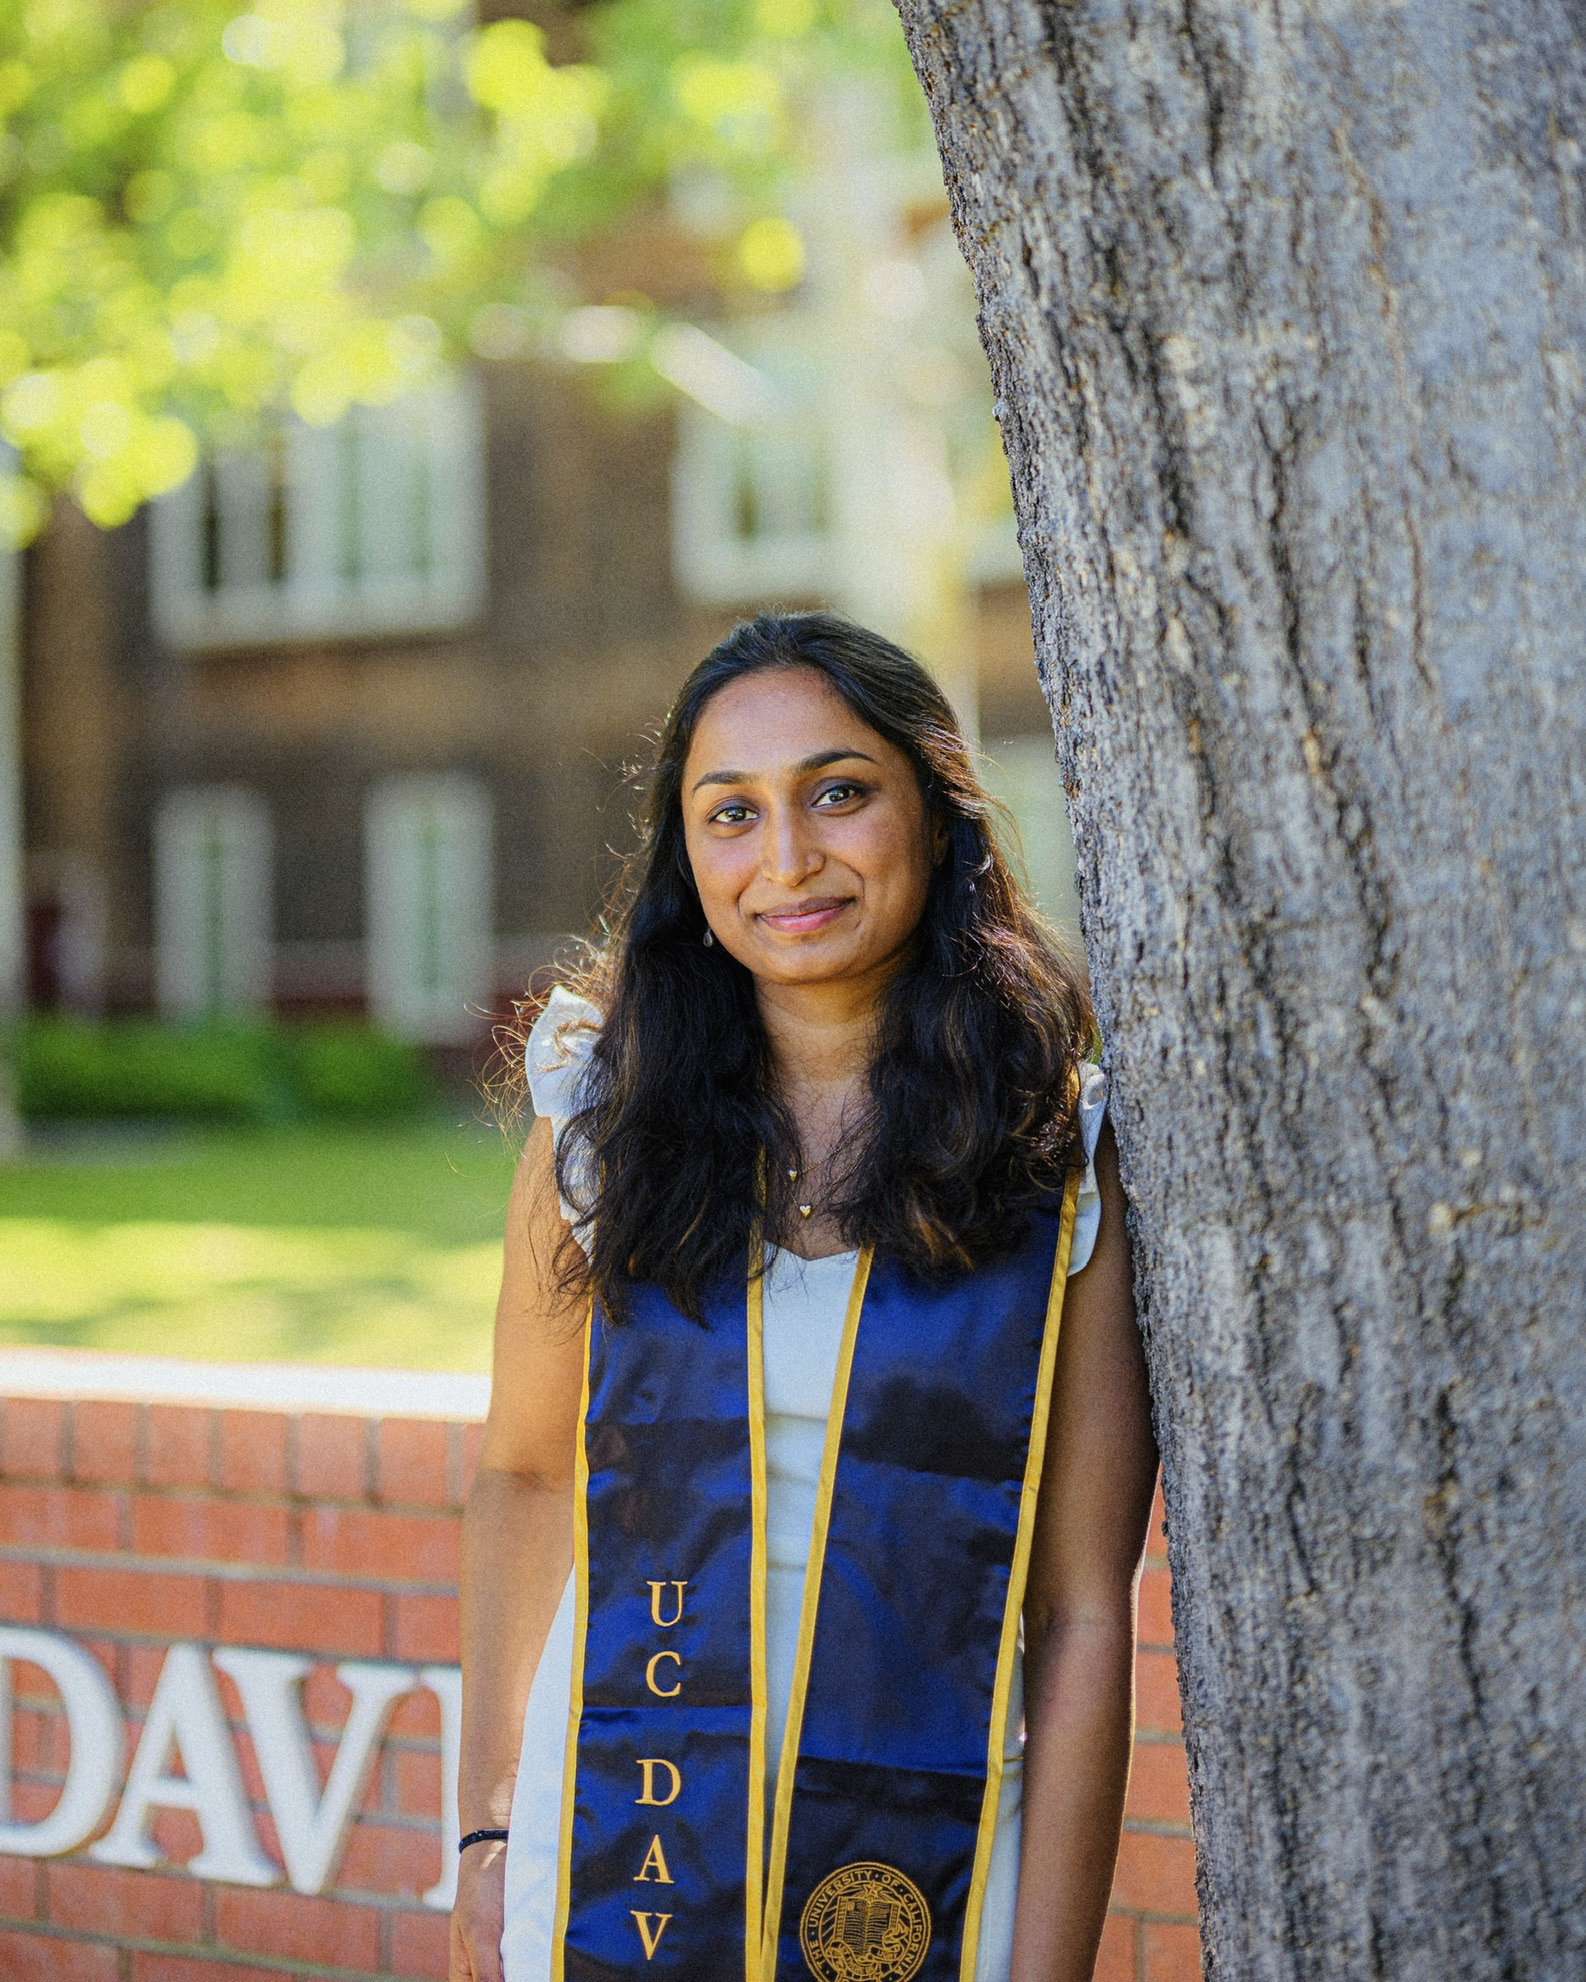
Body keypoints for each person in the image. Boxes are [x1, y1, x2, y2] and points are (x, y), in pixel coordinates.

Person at [452, 612, 1158, 1982]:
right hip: (611, 1852)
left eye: (838, 792)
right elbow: (523, 1477)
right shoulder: (600, 1123)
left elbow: (1080, 1610)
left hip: (933, 1868)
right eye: (732, 812)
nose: (785, 858)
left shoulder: (1053, 1153)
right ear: (687, 859)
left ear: (935, 811)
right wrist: (485, 1831)